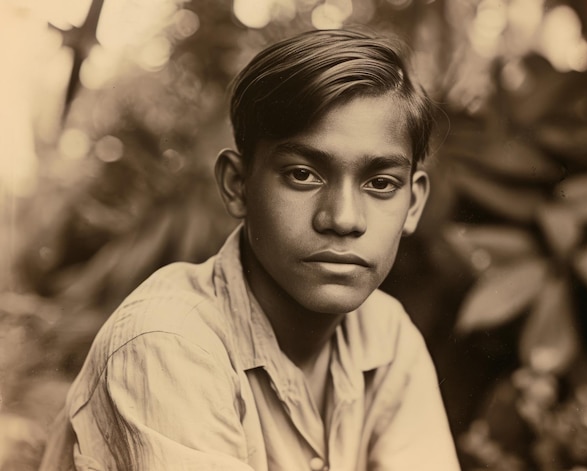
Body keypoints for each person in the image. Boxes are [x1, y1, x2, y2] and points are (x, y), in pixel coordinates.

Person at [40, 29, 460, 470]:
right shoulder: (168, 341)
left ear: (412, 205)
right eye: (302, 174)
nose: (343, 218)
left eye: (380, 184)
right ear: (237, 186)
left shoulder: (387, 335)